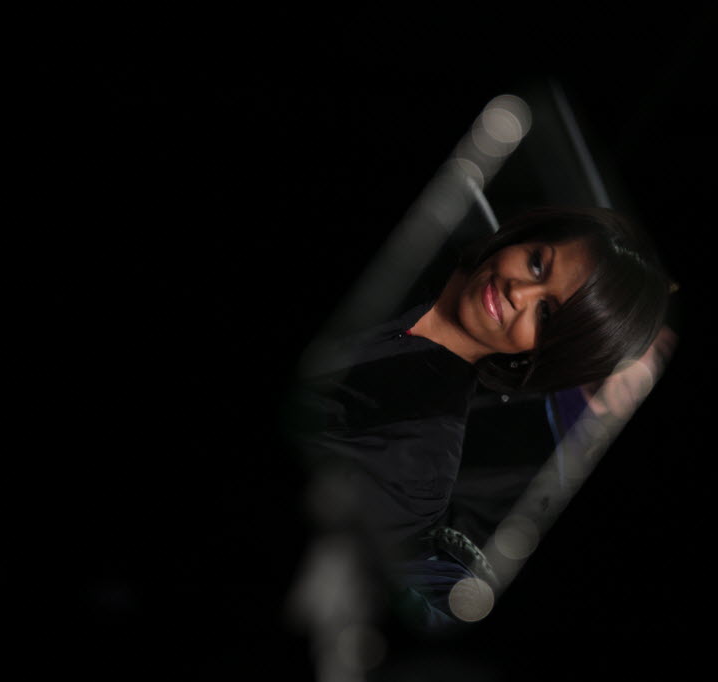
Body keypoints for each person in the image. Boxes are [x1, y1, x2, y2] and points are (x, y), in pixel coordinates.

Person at [286, 206, 674, 629]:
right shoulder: (415, 237)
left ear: (550, 353)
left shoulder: (421, 459)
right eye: (537, 264)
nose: (519, 293)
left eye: (545, 314)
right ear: (524, 237)